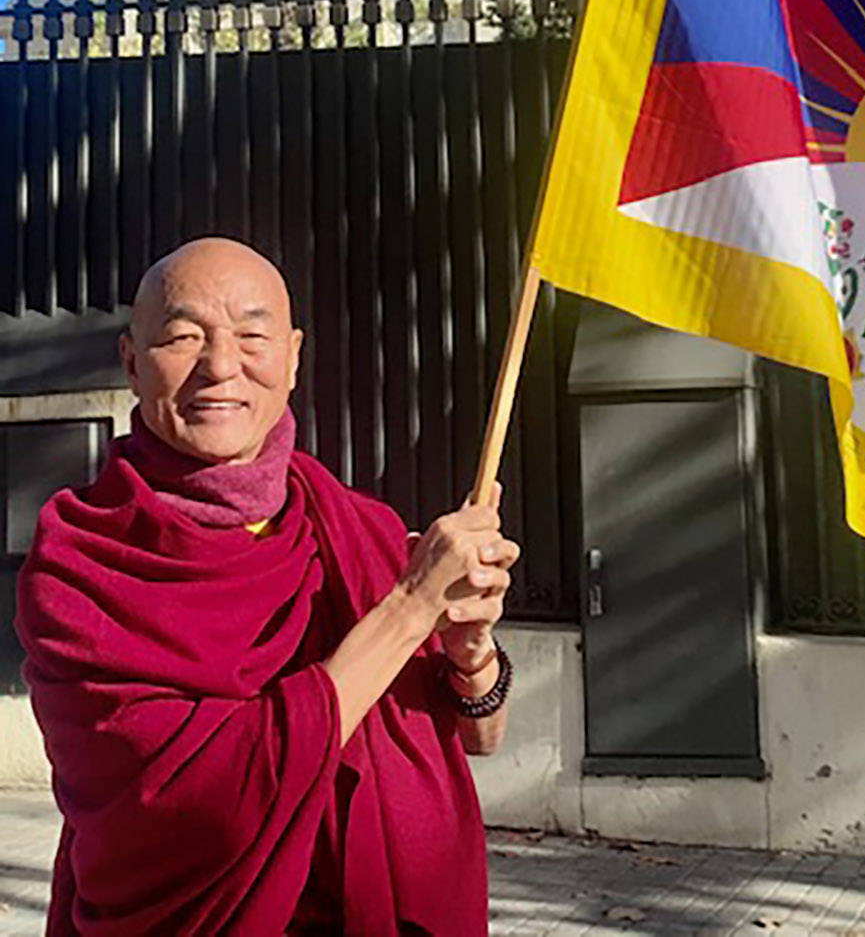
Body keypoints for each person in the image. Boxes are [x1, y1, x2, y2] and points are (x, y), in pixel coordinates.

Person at [17, 237, 519, 935]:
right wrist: (407, 609)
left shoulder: (358, 530)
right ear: (133, 361)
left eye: (252, 335)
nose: (221, 367)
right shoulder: (83, 560)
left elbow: (481, 736)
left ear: (293, 358)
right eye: (183, 335)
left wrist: (470, 653)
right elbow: (200, 800)